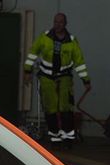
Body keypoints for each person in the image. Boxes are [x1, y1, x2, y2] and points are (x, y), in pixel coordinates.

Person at [24, 13, 90, 144]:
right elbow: (33, 53)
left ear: (65, 24)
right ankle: (55, 136)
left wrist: (86, 81)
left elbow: (79, 62)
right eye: (55, 22)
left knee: (66, 107)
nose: (57, 25)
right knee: (50, 107)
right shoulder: (44, 37)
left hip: (65, 77)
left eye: (60, 22)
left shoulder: (72, 41)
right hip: (46, 77)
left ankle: (68, 136)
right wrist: (27, 71)